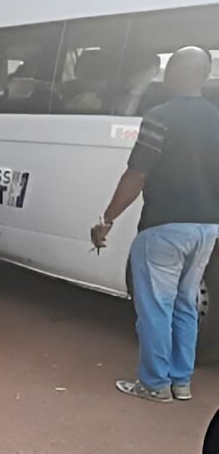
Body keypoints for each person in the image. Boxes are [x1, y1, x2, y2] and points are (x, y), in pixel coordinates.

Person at [90, 46, 219, 403]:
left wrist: (107, 219)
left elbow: (137, 175)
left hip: (164, 226)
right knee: (186, 304)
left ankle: (154, 384)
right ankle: (181, 382)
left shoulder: (160, 117)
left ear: (171, 73)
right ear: (206, 75)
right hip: (207, 229)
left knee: (156, 307)